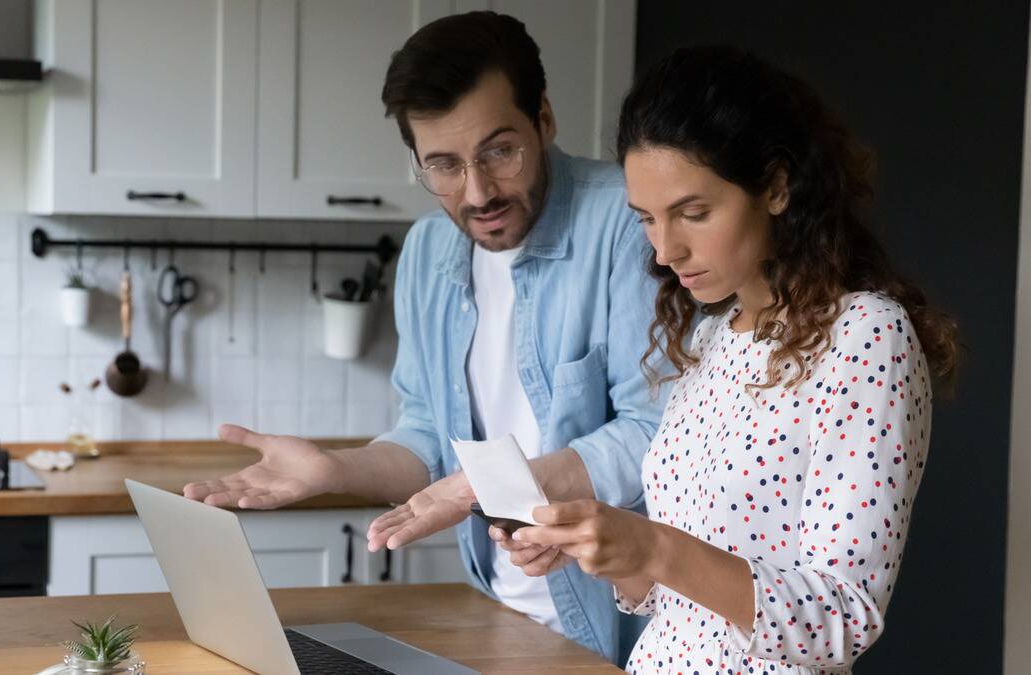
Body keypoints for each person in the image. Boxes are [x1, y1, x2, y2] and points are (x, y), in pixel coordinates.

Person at [183, 11, 665, 663]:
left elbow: (654, 432)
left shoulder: (627, 222)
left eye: (500, 151)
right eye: (443, 165)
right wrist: (336, 469)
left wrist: (485, 486)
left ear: (544, 119)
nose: (478, 191)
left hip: (623, 623)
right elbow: (427, 437)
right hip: (497, 608)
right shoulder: (428, 250)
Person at [498, 45, 961, 673]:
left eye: (693, 213)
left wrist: (655, 548)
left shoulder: (866, 337)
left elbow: (843, 619)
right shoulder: (713, 337)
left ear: (774, 187)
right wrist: (614, 553)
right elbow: (683, 605)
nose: (665, 251)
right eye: (647, 219)